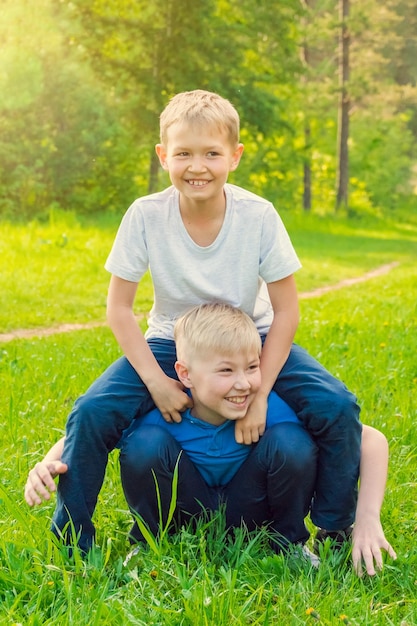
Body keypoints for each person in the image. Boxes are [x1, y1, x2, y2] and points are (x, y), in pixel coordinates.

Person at [51, 89, 362, 554]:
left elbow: (287, 310)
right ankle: (74, 542)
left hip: (247, 337)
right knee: (93, 412)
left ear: (234, 157)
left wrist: (260, 395)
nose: (198, 166)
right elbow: (118, 310)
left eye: (212, 153)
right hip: (170, 341)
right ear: (163, 156)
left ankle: (335, 538)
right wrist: (156, 382)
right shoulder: (145, 215)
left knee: (337, 407)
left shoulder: (257, 215)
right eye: (184, 154)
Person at [26, 304, 396, 576]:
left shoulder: (266, 406)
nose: (243, 383)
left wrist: (366, 518)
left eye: (252, 367)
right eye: (225, 371)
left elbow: (372, 441)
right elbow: (87, 436)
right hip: (184, 510)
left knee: (292, 443)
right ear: (184, 374)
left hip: (254, 511)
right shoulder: (166, 407)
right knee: (144, 444)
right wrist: (47, 462)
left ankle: (287, 545)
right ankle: (150, 542)